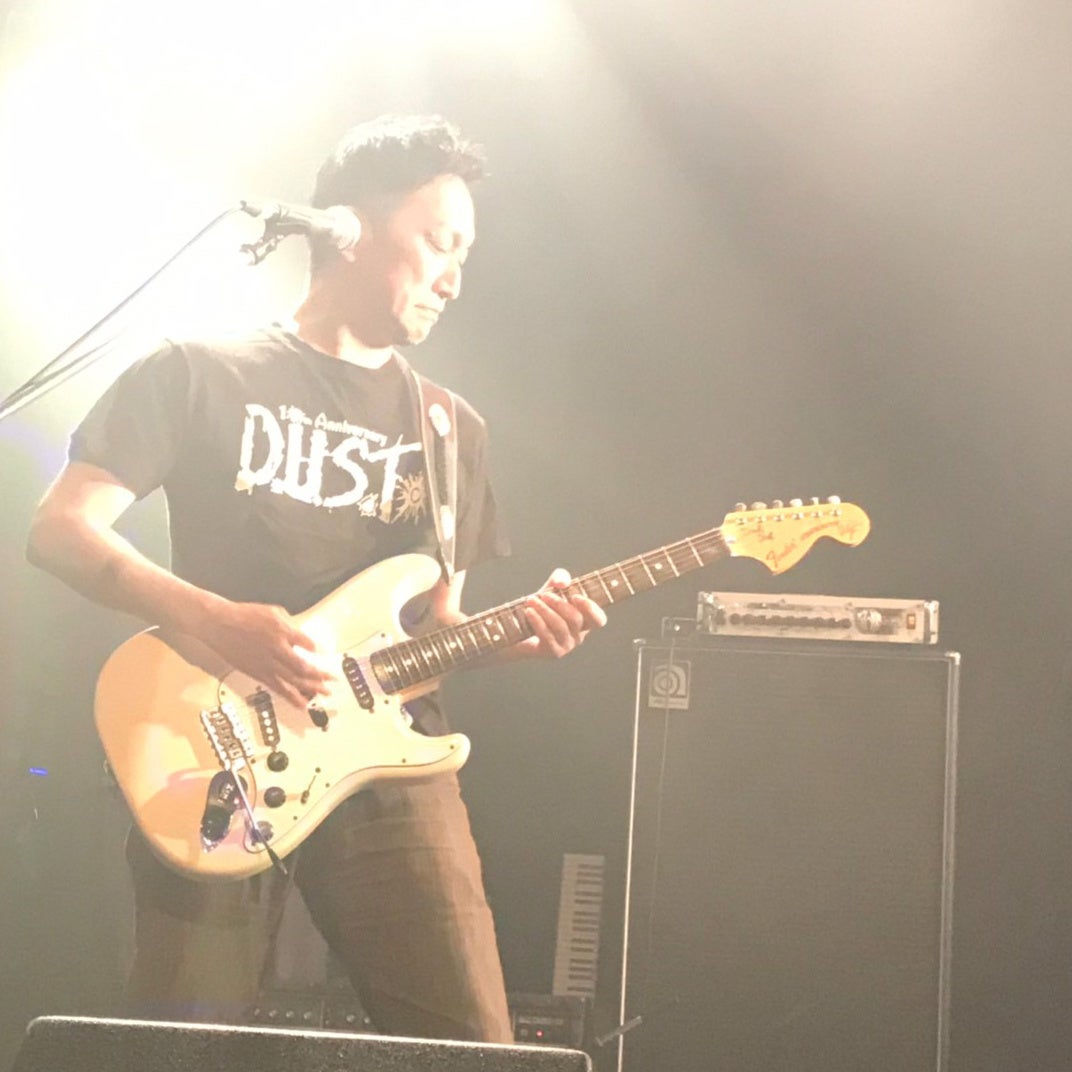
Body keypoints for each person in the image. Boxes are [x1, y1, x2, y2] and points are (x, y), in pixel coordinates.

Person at [25, 115, 607, 1043]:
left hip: (389, 778)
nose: (454, 279)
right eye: (438, 242)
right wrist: (219, 620)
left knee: (472, 1048)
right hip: (212, 749)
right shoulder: (197, 371)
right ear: (349, 229)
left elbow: (436, 632)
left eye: (465, 254)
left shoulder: (450, 429)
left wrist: (515, 638)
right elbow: (60, 530)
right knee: (180, 1050)